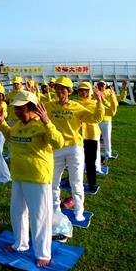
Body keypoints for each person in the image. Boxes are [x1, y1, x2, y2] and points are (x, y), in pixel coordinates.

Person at [0, 91, 64, 268]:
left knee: (40, 217)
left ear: (32, 108)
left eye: (20, 108)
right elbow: (11, 137)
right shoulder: (17, 125)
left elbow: (58, 143)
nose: (17, 112)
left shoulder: (42, 126)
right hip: (18, 175)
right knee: (17, 212)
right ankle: (20, 244)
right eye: (15, 108)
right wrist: (1, 123)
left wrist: (48, 122)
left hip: (37, 178)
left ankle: (43, 253)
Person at [45, 77, 104, 222]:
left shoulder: (77, 107)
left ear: (70, 91)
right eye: (58, 88)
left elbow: (95, 118)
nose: (60, 91)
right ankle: (55, 209)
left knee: (76, 182)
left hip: (74, 148)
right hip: (56, 148)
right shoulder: (49, 106)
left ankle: (79, 211)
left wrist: (99, 102)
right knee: (53, 182)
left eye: (63, 89)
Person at [76, 82, 104, 192]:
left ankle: (92, 183)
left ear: (90, 91)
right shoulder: (75, 104)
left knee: (90, 161)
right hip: (77, 136)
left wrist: (99, 100)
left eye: (85, 90)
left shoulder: (95, 103)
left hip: (91, 135)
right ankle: (73, 180)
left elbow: (99, 116)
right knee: (75, 161)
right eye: (80, 90)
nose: (83, 92)